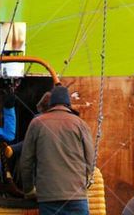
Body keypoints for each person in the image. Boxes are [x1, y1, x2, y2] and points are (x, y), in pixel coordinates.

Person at [19, 85, 95, 215]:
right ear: (68, 104)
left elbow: (26, 161)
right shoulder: (80, 124)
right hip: (76, 196)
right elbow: (90, 161)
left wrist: (29, 189)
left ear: (51, 103)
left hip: (48, 197)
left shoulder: (37, 123)